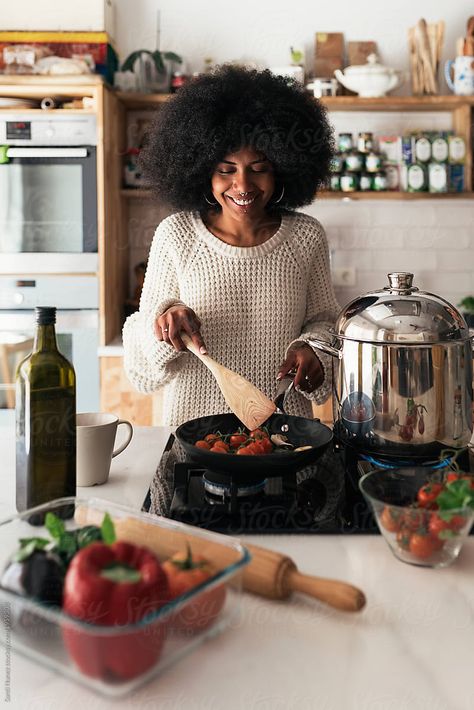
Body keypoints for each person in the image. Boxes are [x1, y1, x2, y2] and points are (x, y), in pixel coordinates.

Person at [123, 65, 340, 426]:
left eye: (259, 168)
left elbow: (325, 324)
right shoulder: (176, 235)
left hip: (286, 441)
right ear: (201, 170)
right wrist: (164, 325)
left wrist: (314, 350)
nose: (243, 185)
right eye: (226, 170)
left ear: (282, 169)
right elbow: (140, 358)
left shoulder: (306, 237)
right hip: (192, 445)